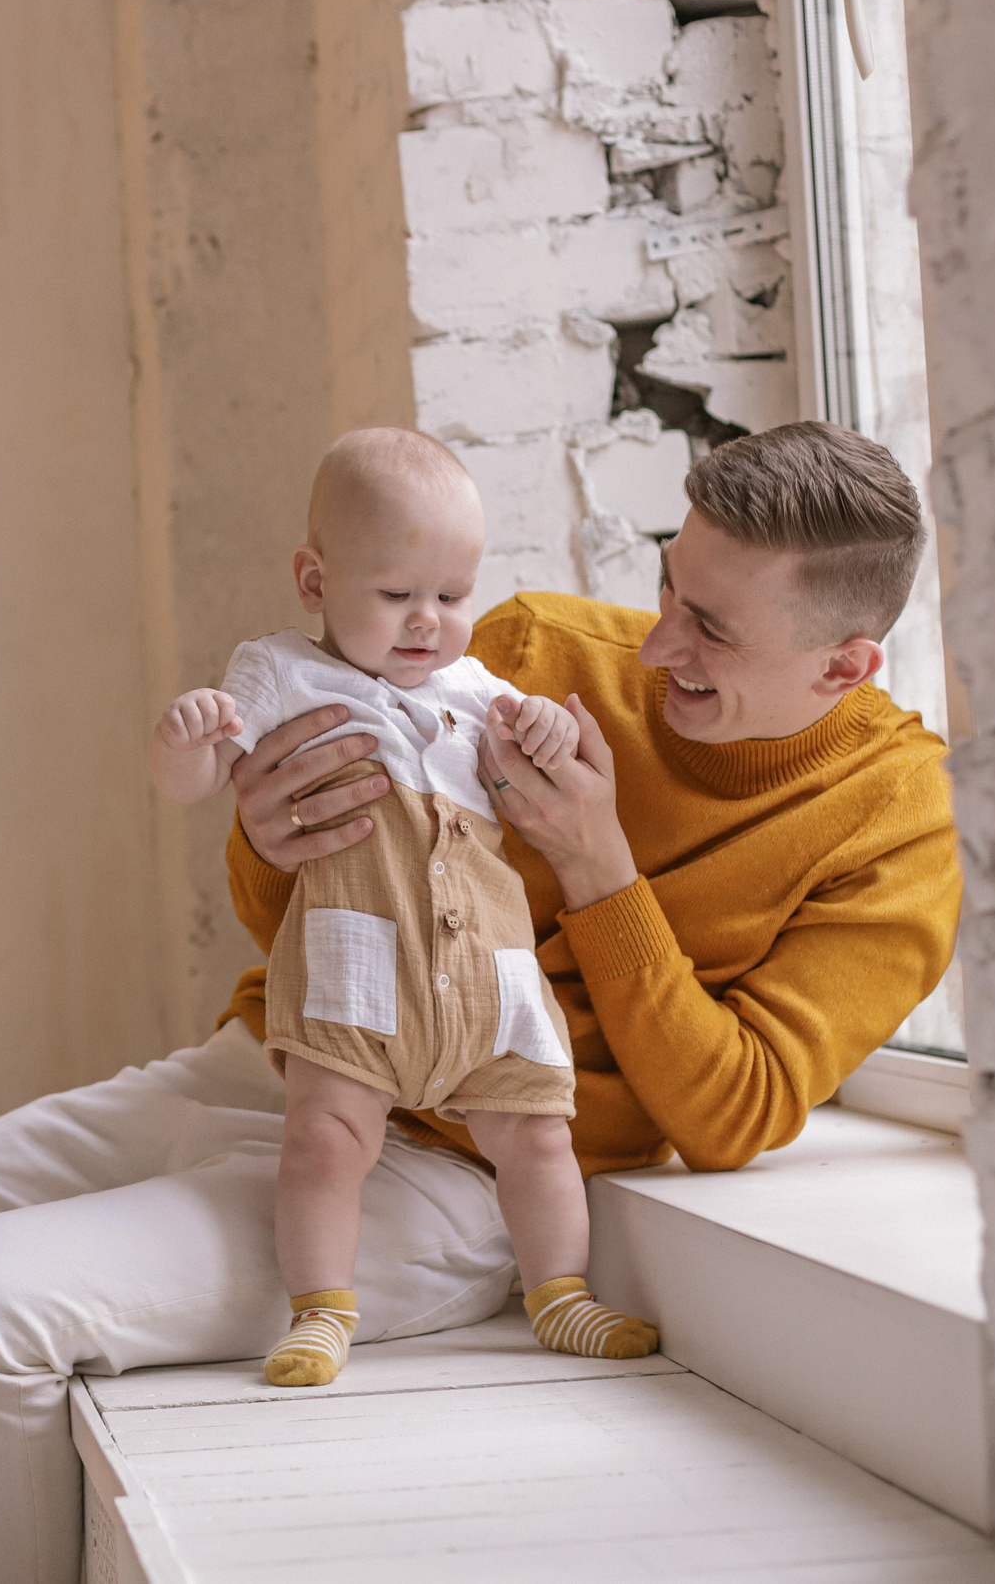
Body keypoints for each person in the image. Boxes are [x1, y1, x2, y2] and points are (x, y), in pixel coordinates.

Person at [0, 420, 962, 1584]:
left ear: (846, 664)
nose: (653, 650)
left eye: (708, 629)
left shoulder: (900, 822)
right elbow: (300, 908)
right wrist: (268, 839)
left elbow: (733, 1112)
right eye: (666, 591)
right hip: (274, 1061)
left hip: (456, 1171)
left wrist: (600, 866)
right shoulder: (529, 652)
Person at [147, 429, 657, 1387]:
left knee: (542, 1135)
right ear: (315, 580)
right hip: (358, 974)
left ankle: (561, 1294)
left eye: (452, 597)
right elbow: (203, 779)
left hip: (485, 984)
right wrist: (186, 742)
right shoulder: (282, 671)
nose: (428, 621)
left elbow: (541, 763)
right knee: (325, 1141)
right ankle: (319, 1311)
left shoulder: (478, 690)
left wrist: (546, 727)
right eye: (395, 595)